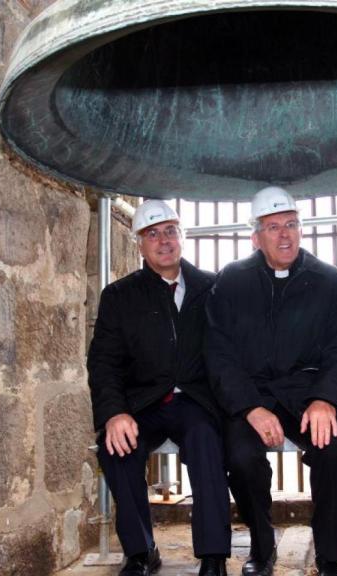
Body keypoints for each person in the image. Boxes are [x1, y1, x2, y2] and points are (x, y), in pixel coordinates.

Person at [206, 187, 337, 576]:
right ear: (256, 238)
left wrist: (325, 400)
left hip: (307, 393)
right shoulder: (231, 281)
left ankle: (331, 556)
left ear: (301, 230)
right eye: (273, 227)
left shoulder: (328, 280)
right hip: (251, 395)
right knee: (240, 456)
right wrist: (250, 407)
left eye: (291, 224)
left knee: (333, 446)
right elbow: (219, 354)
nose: (284, 235)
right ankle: (261, 545)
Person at [88, 200, 230, 576]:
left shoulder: (213, 288)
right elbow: (103, 363)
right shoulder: (119, 296)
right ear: (139, 244)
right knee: (116, 448)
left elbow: (230, 352)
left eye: (170, 231)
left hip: (196, 400)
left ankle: (213, 555)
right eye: (153, 234)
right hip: (142, 403)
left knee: (205, 438)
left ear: (182, 236)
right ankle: (141, 552)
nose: (163, 240)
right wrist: (114, 413)